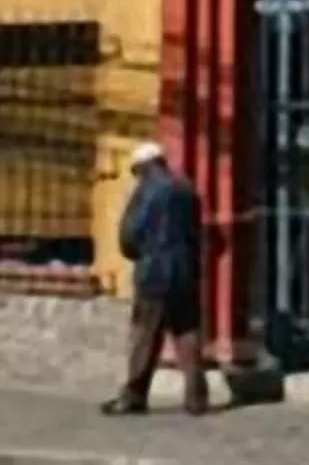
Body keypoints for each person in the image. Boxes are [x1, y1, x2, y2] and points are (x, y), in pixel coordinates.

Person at [107, 140, 207, 417]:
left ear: (142, 167)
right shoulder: (186, 188)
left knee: (145, 335)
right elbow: (198, 232)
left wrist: (139, 254)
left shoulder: (147, 191)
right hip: (185, 271)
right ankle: (196, 397)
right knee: (187, 332)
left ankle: (134, 396)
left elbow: (129, 235)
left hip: (154, 272)